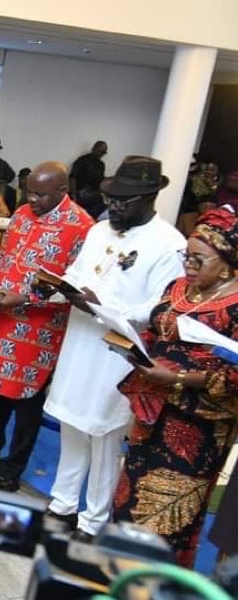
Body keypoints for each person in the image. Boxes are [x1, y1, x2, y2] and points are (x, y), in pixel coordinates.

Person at [43, 156, 186, 542]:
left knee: (104, 435)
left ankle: (93, 520)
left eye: (126, 200)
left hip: (116, 352)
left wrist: (104, 307)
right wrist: (62, 285)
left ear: (150, 197)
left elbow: (160, 309)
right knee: (71, 424)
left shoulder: (169, 245)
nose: (115, 206)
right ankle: (63, 503)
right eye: (112, 198)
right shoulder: (99, 230)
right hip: (79, 341)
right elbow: (78, 273)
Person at [0, 162, 94, 492]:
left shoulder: (82, 227)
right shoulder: (23, 214)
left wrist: (25, 299)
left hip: (37, 333)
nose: (32, 199)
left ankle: (12, 470)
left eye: (41, 194)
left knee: (27, 404)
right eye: (29, 191)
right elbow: (5, 259)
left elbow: (75, 288)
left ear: (62, 191)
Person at [112, 206, 238, 568]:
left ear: (227, 261)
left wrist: (178, 378)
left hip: (197, 430)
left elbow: (235, 374)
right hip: (152, 415)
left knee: (167, 518)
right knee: (128, 501)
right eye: (187, 256)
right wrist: (137, 347)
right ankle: (116, 579)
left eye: (200, 259)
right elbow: (158, 326)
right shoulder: (179, 287)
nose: (189, 265)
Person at [69, 141, 108, 218]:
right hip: (81, 192)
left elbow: (101, 181)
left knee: (107, 201)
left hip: (94, 192)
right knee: (100, 200)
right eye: (100, 151)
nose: (101, 154)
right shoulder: (83, 160)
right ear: (93, 149)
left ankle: (90, 218)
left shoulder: (101, 165)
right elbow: (72, 177)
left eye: (103, 152)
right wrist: (73, 195)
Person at [179, 162, 219, 235]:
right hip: (191, 213)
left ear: (216, 173)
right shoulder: (194, 181)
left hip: (207, 217)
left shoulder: (217, 186)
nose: (209, 172)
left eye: (212, 170)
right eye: (207, 169)